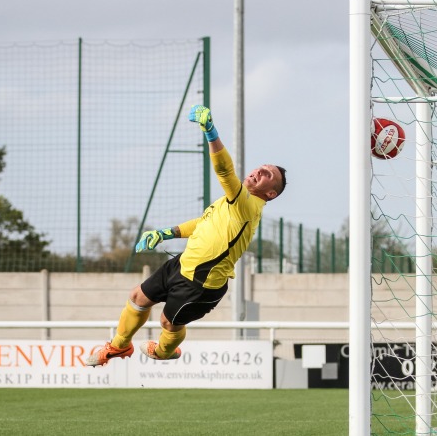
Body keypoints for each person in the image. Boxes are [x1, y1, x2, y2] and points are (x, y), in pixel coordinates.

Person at [86, 105, 287, 365]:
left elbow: (225, 171)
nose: (259, 172)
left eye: (267, 174)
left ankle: (165, 351)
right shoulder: (231, 200)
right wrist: (163, 233)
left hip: (203, 283)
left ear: (270, 193)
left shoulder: (248, 204)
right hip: (182, 264)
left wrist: (210, 132)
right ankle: (118, 347)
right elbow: (202, 224)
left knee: (168, 323)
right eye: (260, 168)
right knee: (137, 297)